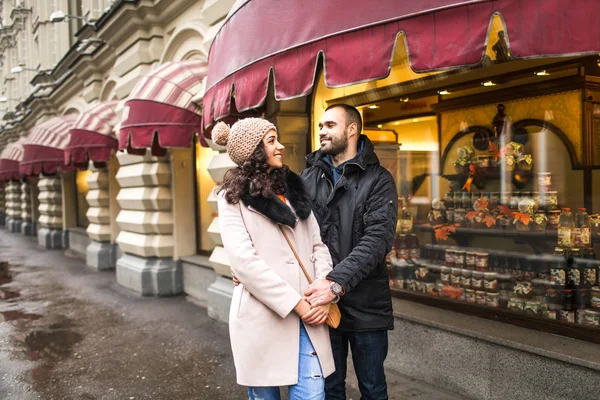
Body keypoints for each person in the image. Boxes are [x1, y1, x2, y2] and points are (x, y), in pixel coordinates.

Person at [213, 118, 337, 400]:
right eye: (271, 140)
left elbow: (318, 246)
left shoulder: (294, 189)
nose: (280, 146)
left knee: (312, 395)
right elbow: (244, 262)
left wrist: (321, 290)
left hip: (310, 313)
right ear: (254, 151)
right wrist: (298, 305)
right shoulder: (232, 199)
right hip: (263, 317)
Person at [301, 104, 398, 400]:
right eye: (320, 126)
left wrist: (336, 283)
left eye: (330, 125)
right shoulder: (307, 179)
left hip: (366, 303)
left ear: (352, 129)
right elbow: (284, 231)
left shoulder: (379, 179)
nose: (321, 132)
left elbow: (377, 241)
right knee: (329, 388)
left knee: (372, 389)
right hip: (321, 304)